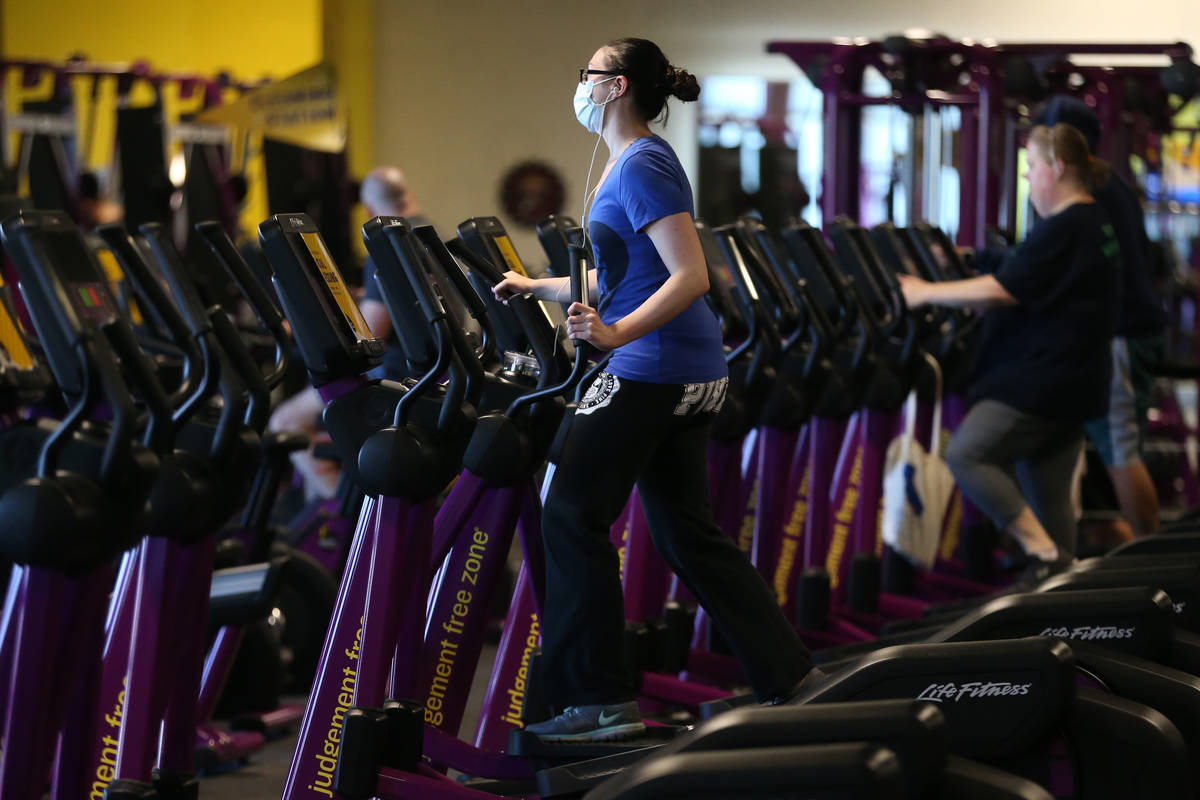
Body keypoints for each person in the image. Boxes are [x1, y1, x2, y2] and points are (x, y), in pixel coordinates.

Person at [493, 37, 815, 742]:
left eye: (592, 71)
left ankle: (597, 702)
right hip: (683, 371)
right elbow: (624, 276)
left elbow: (690, 274)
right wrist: (537, 287)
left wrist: (613, 336)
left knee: (569, 513)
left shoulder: (642, 166)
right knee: (686, 533)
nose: (581, 80)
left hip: (654, 368)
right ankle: (788, 673)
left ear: (617, 87)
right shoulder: (627, 165)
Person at [899, 123, 1121, 586]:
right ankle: (1062, 600)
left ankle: (1042, 553)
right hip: (1077, 387)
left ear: (1056, 168)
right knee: (1050, 497)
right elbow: (1029, 266)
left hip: (1042, 385)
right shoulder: (1092, 221)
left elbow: (1006, 290)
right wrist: (972, 259)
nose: (1028, 178)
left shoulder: (1067, 225)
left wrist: (925, 293)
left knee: (967, 454)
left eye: (1032, 167)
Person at [1036, 96, 1164, 540]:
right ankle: (1110, 540)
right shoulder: (1106, 188)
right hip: (1122, 333)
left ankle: (1155, 566)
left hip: (1121, 336)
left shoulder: (1091, 194)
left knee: (1119, 448)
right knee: (1105, 445)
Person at [358, 166, 432, 380]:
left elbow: (371, 335)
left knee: (285, 415)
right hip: (446, 371)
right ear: (410, 196)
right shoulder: (434, 235)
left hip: (405, 377)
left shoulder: (387, 244)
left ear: (369, 209)